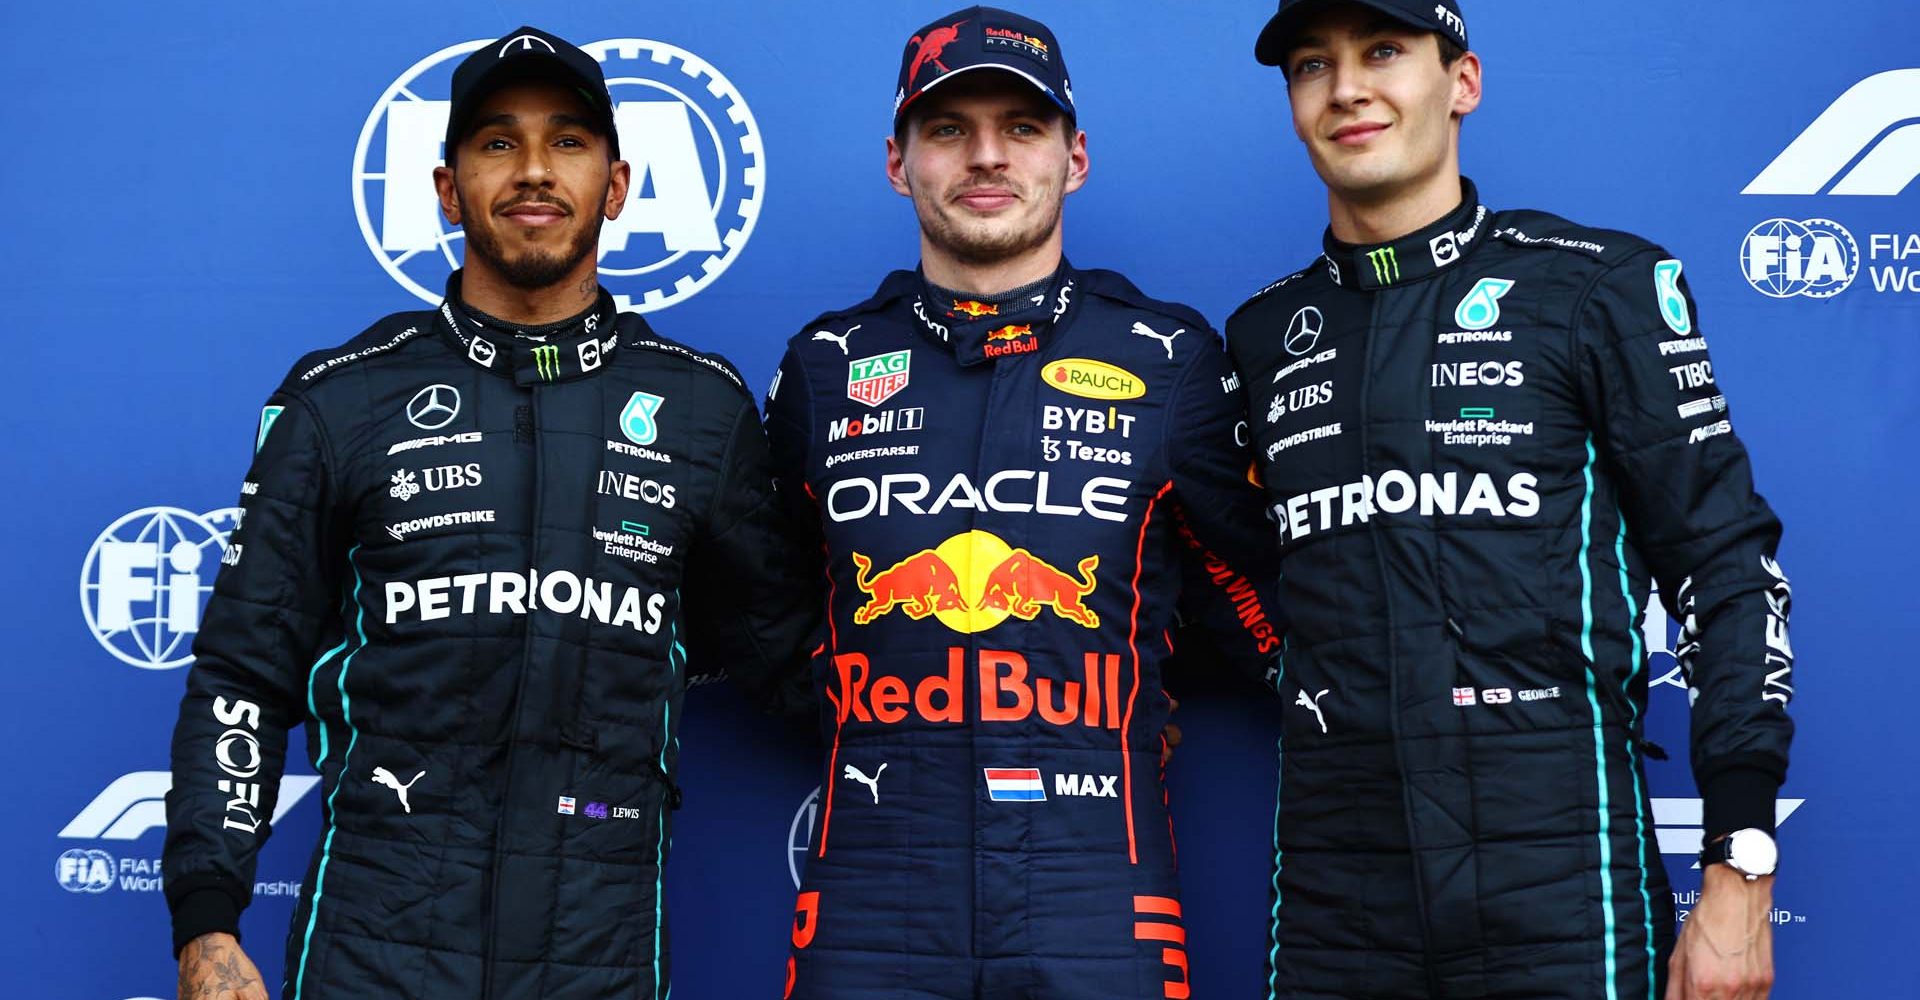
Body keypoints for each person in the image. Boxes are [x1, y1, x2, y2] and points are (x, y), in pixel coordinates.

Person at [163, 25, 813, 1000]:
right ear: (446, 187)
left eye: (568, 142)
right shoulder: (342, 400)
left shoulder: (702, 413)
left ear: (620, 184)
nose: (535, 172)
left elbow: (790, 654)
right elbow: (243, 672)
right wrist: (207, 926)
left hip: (597, 961)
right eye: (498, 143)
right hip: (368, 956)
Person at [1226, 2, 1794, 998]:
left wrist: (1740, 868)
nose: (1348, 86)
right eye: (1314, 65)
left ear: (1464, 83)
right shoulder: (1265, 335)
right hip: (1337, 902)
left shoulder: (1596, 288)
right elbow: (1227, 572)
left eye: (1385, 53)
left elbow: (1728, 569)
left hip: (1564, 892)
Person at [763, 7, 1284, 998]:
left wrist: (1134, 694)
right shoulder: (825, 368)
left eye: (1023, 127)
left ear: (1073, 157)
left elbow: (1250, 594)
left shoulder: (1167, 359)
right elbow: (767, 597)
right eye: (949, 129)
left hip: (1098, 893)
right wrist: (865, 703)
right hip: (873, 895)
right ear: (898, 160)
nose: (987, 156)